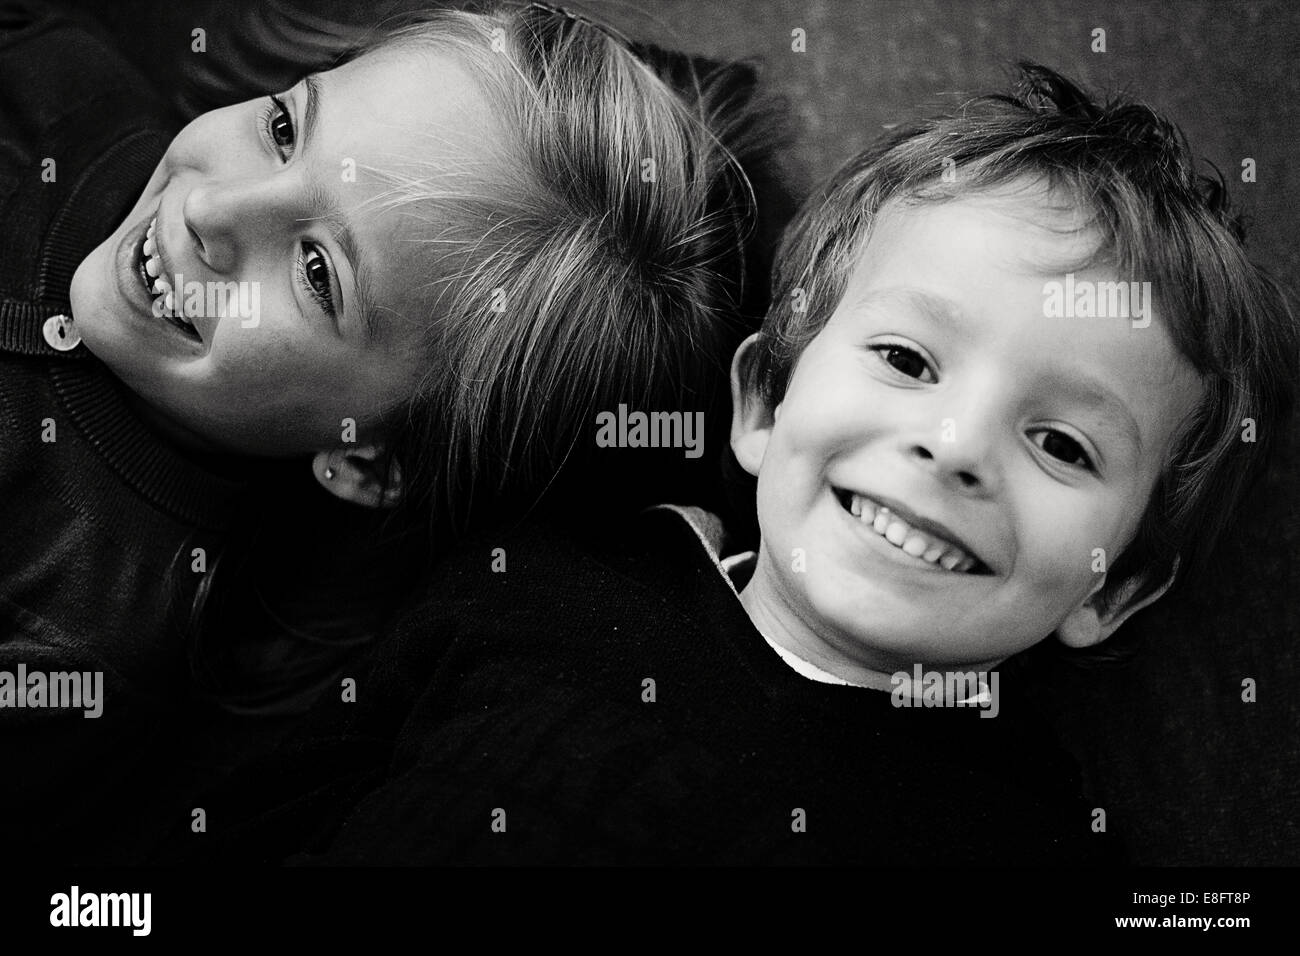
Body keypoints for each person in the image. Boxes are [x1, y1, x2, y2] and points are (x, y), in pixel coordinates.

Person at [172, 62, 1297, 866]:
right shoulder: (539, 574)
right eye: (907, 358)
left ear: (1117, 583)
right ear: (761, 398)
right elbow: (266, 799)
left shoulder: (1030, 835)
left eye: (1059, 443)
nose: (953, 448)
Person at [0, 0, 770, 855]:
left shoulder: (73, 644)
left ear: (367, 462)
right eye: (286, 129)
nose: (214, 208)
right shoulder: (52, 83)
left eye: (318, 271)